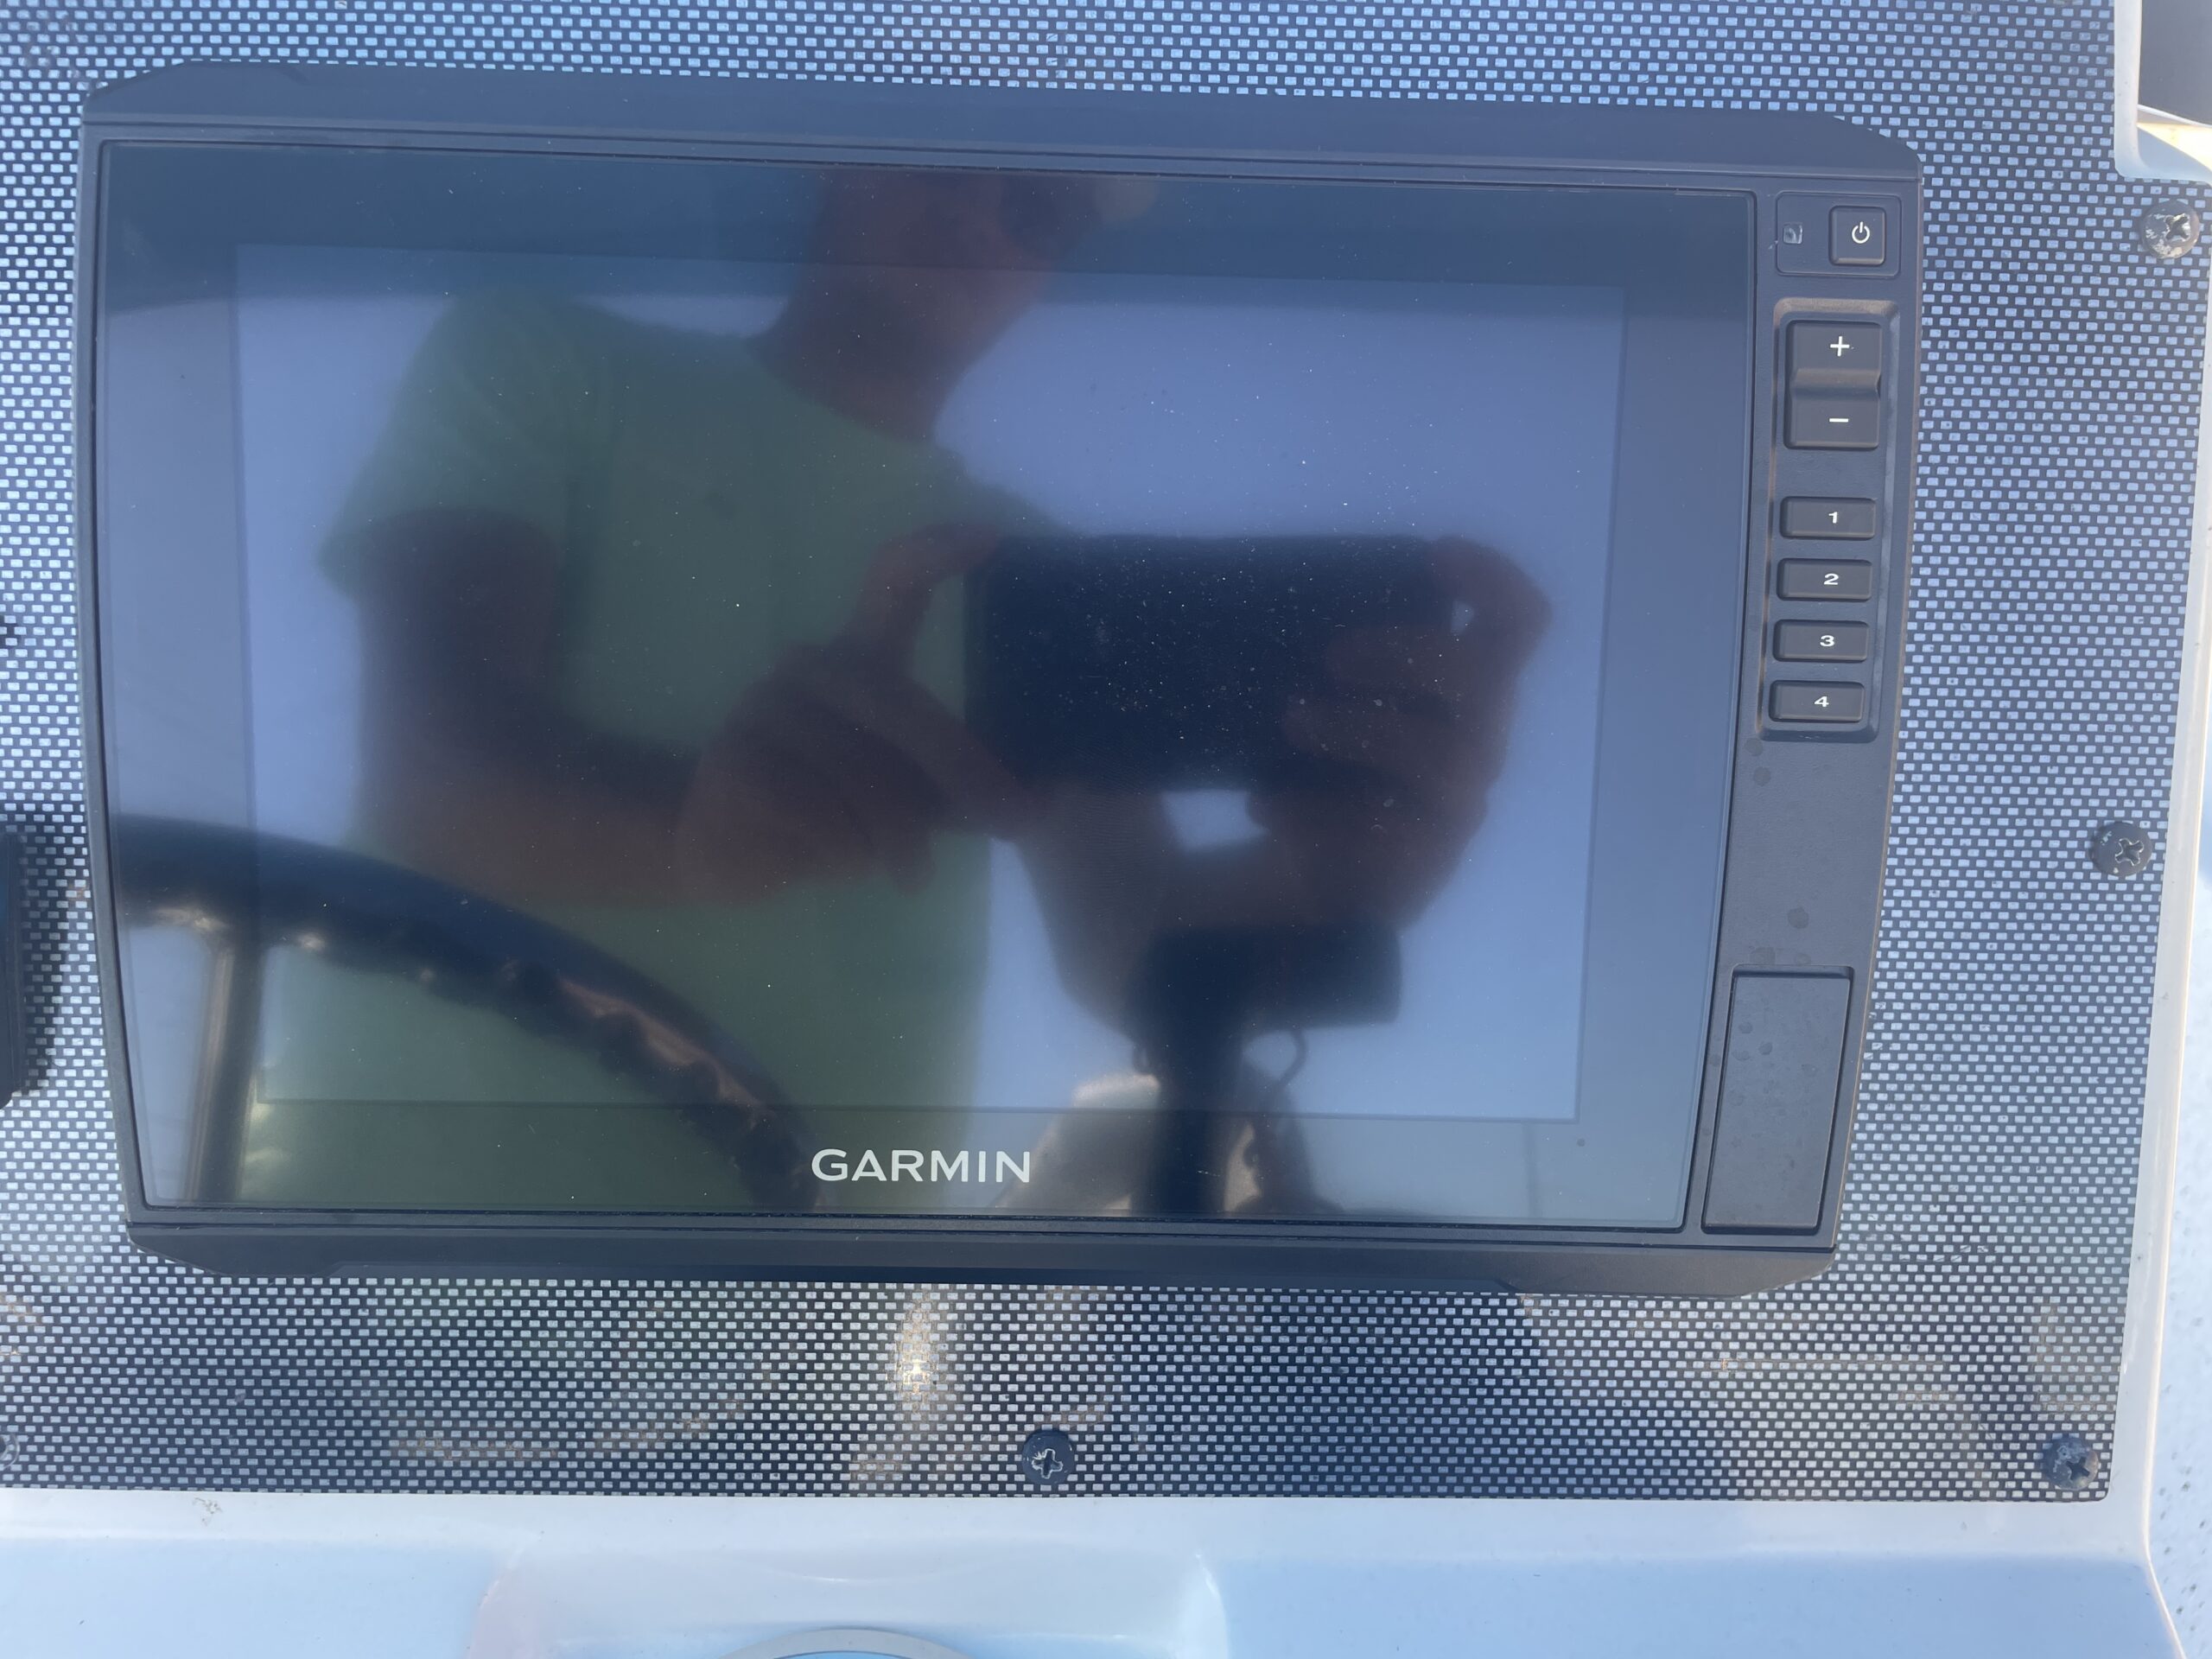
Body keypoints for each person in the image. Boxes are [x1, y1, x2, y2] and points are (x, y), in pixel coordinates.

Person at [249, 165, 1543, 1212]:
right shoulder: (538, 357)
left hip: (818, 1340)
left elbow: (1130, 951)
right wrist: (695, 830)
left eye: (1040, 209)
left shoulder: (1028, 568)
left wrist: (1335, 886)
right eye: (946, 158)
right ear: (837, 156)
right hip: (385, 1269)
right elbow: (435, 772)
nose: (986, 216)